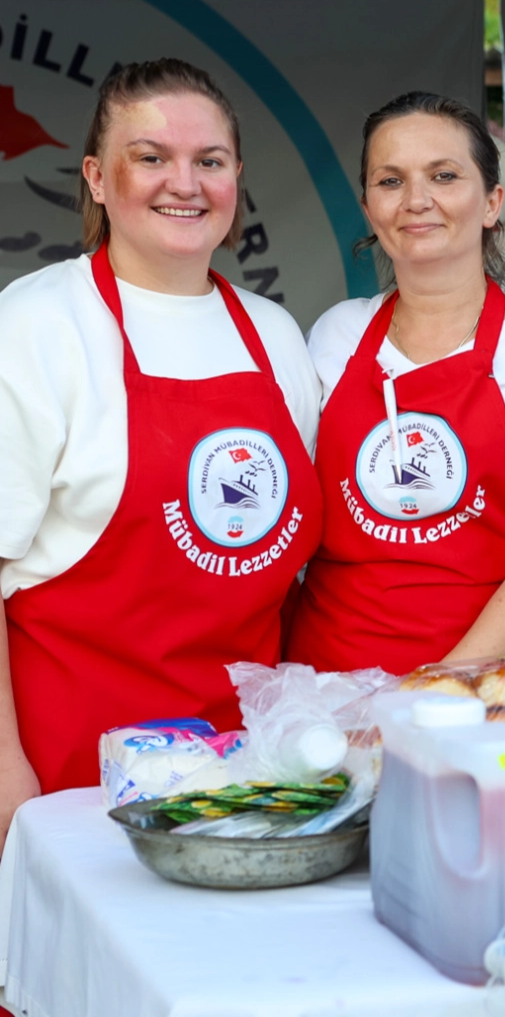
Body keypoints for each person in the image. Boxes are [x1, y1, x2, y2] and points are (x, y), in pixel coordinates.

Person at [0, 59, 322, 814]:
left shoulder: (275, 337)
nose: (184, 183)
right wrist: (6, 768)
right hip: (71, 772)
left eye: (208, 162)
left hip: (247, 770)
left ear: (235, 176)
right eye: (150, 159)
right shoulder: (36, 326)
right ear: (98, 178)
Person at [289, 92, 505, 672]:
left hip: (500, 693)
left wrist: (442, 687)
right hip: (336, 687)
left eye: (443, 176)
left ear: (492, 202)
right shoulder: (334, 337)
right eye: (390, 182)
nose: (417, 200)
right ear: (368, 209)